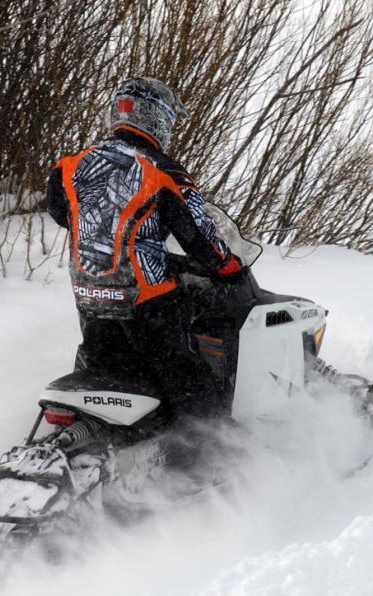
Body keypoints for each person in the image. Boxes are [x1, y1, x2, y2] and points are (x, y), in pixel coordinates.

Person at [46, 76, 243, 419]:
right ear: (156, 119)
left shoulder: (69, 166)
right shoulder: (162, 172)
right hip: (148, 303)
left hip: (91, 299)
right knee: (191, 384)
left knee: (106, 367)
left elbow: (62, 214)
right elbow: (198, 235)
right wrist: (227, 265)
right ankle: (206, 457)